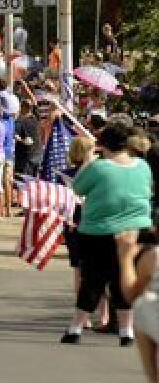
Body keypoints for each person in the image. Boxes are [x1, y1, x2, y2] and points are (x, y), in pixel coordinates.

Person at [61, 118, 153, 345]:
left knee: (92, 280)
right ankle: (126, 331)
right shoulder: (142, 165)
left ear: (104, 145)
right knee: (123, 279)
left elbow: (78, 186)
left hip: (98, 230)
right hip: (135, 230)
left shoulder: (100, 167)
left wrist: (88, 160)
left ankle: (75, 327)